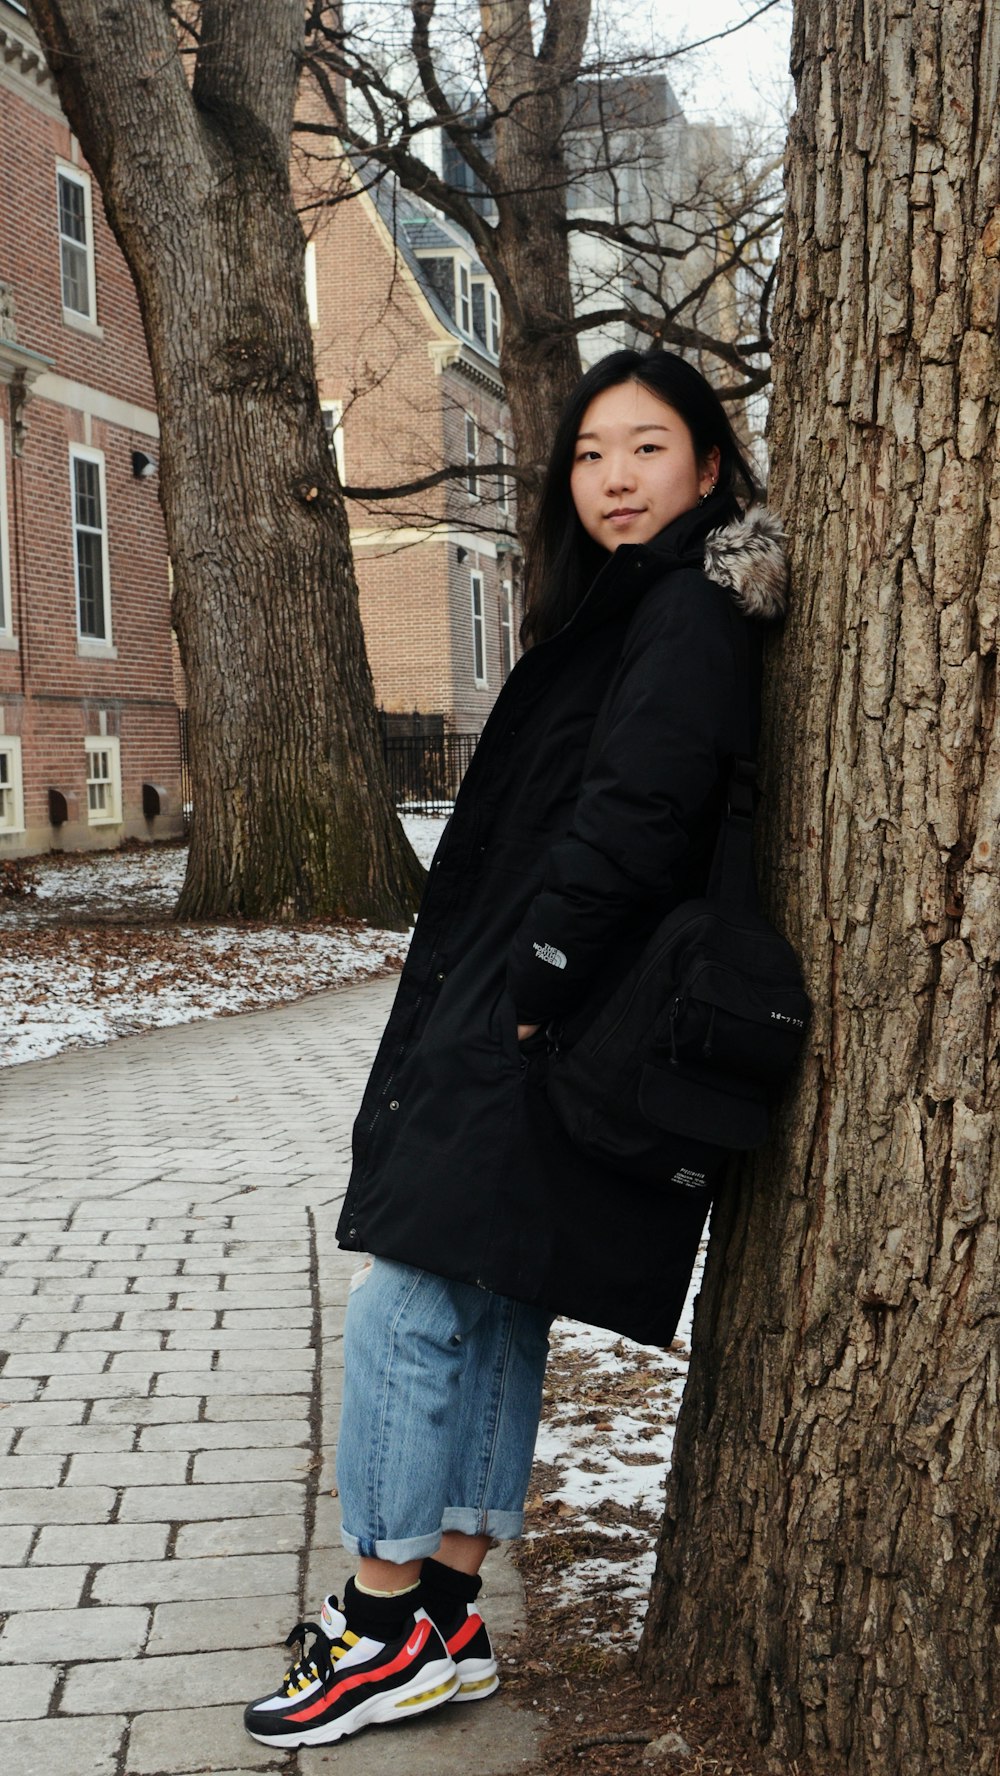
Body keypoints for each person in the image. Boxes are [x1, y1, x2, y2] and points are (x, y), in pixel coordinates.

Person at [244, 349, 787, 1750]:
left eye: (649, 448)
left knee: (412, 1297)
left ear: (710, 467)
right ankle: (446, 1621)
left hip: (556, 1011)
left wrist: (538, 976)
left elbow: (639, 813)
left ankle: (371, 1624)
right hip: (554, 1009)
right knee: (492, 1297)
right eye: (594, 452)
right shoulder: (624, 611)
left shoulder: (680, 616)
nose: (614, 476)